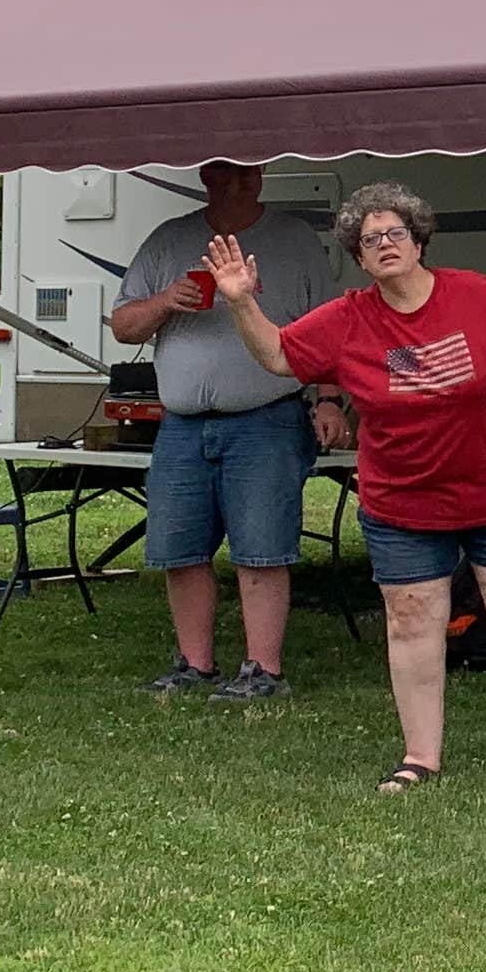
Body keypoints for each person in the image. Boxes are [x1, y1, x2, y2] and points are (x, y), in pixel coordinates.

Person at [208, 181, 486, 795]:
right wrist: (240, 301)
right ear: (359, 257)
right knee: (410, 621)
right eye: (369, 240)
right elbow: (277, 357)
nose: (384, 244)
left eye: (395, 232)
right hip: (403, 502)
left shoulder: (478, 295)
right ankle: (420, 758)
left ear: (419, 241)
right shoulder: (348, 320)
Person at [107, 159, 340, 701]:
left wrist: (329, 401)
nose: (242, 180)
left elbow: (329, 330)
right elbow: (122, 326)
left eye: (251, 171)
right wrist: (166, 301)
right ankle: (195, 664)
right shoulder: (170, 239)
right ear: (206, 178)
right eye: (229, 172)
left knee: (262, 548)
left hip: (268, 416)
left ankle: (263, 670)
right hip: (182, 423)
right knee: (179, 549)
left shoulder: (294, 239)